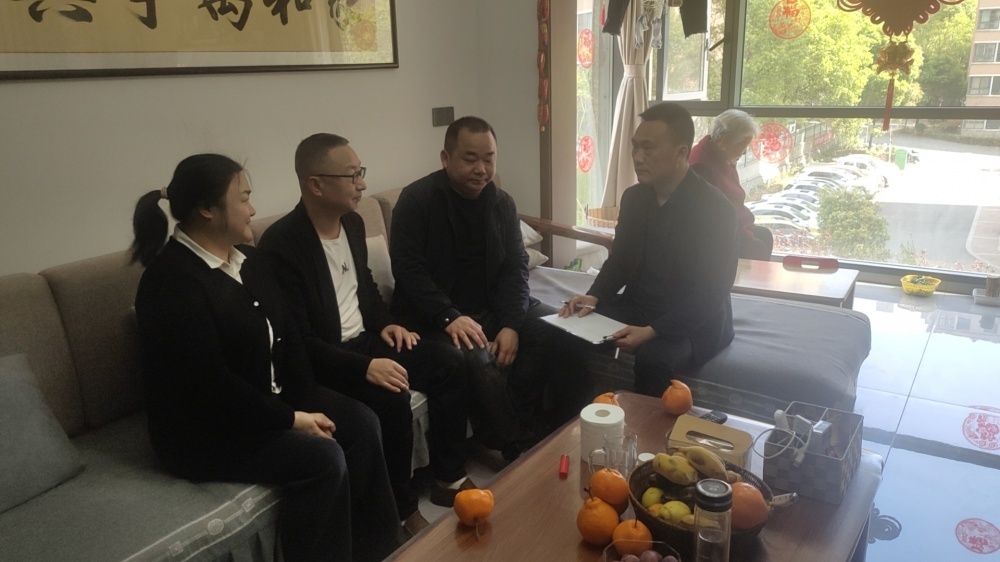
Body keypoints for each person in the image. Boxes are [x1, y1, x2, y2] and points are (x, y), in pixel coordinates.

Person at [130, 154, 401, 562]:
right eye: (243, 199)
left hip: (266, 404)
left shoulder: (249, 260)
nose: (253, 209)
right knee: (323, 459)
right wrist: (292, 420)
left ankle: (381, 551)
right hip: (208, 432)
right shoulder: (170, 283)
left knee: (361, 423)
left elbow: (290, 340)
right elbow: (212, 386)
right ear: (207, 209)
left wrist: (308, 402)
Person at [257, 133, 474, 517]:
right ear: (316, 185)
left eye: (361, 172)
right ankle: (403, 511)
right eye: (352, 175)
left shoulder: (353, 224)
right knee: (392, 399)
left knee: (449, 362)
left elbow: (366, 289)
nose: (362, 184)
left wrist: (387, 323)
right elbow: (299, 339)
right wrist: (366, 367)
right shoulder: (282, 245)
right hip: (325, 359)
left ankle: (449, 478)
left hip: (365, 341)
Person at [389, 116, 571, 458]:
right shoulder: (416, 201)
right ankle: (514, 442)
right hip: (433, 316)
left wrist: (511, 324)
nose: (481, 169)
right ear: (446, 158)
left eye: (489, 158)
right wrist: (448, 317)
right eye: (470, 158)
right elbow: (408, 271)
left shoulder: (502, 203)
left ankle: (520, 421)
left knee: (552, 327)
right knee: (475, 355)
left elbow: (515, 267)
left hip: (490, 307)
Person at [561, 103, 739, 397]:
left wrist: (652, 331)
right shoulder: (634, 198)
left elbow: (711, 293)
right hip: (639, 305)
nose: (638, 157)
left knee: (652, 360)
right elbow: (621, 260)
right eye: (635, 147)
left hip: (694, 318)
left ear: (681, 152)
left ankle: (644, 428)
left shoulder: (716, 210)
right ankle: (575, 417)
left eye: (649, 148)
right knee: (569, 329)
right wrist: (594, 295)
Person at [688, 109, 772, 261]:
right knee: (758, 247)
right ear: (724, 142)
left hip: (736, 225)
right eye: (742, 145)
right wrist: (746, 236)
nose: (744, 152)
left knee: (765, 235)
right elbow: (716, 219)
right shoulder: (701, 167)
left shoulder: (722, 155)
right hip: (721, 235)